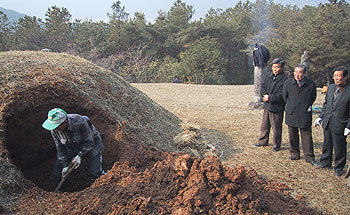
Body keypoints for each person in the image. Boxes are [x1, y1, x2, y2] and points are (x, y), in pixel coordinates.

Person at [42, 108, 105, 189]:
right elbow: (60, 147)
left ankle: (106, 184)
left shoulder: (80, 122)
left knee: (95, 172)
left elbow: (89, 142)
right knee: (58, 170)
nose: (55, 129)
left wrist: (79, 155)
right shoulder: (55, 131)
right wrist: (65, 165)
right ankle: (60, 192)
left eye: (57, 126)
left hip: (92, 145)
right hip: (72, 146)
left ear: (64, 122)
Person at [314, 66, 350, 176]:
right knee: (327, 143)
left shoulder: (348, 90)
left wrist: (349, 126)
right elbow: (326, 104)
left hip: (341, 123)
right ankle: (325, 162)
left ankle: (338, 167)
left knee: (339, 147)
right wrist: (320, 117)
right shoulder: (331, 88)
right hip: (328, 120)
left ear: (345, 77)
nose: (337, 78)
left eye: (339, 76)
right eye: (335, 76)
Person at [282, 64, 318, 165]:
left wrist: (305, 106)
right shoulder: (288, 83)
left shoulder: (310, 84)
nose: (297, 75)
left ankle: (309, 156)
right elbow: (285, 96)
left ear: (304, 73)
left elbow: (312, 97)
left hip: (304, 112)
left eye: (300, 72)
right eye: (296, 72)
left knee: (306, 136)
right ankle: (294, 153)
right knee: (292, 135)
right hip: (292, 112)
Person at [255, 58, 288, 151]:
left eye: (277, 67)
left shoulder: (285, 79)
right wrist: (264, 95)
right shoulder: (268, 76)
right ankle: (262, 141)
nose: (275, 69)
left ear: (281, 68)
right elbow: (263, 87)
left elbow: (282, 94)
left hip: (277, 107)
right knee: (264, 125)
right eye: (274, 67)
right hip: (267, 106)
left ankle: (276, 145)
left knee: (276, 128)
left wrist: (270, 97)